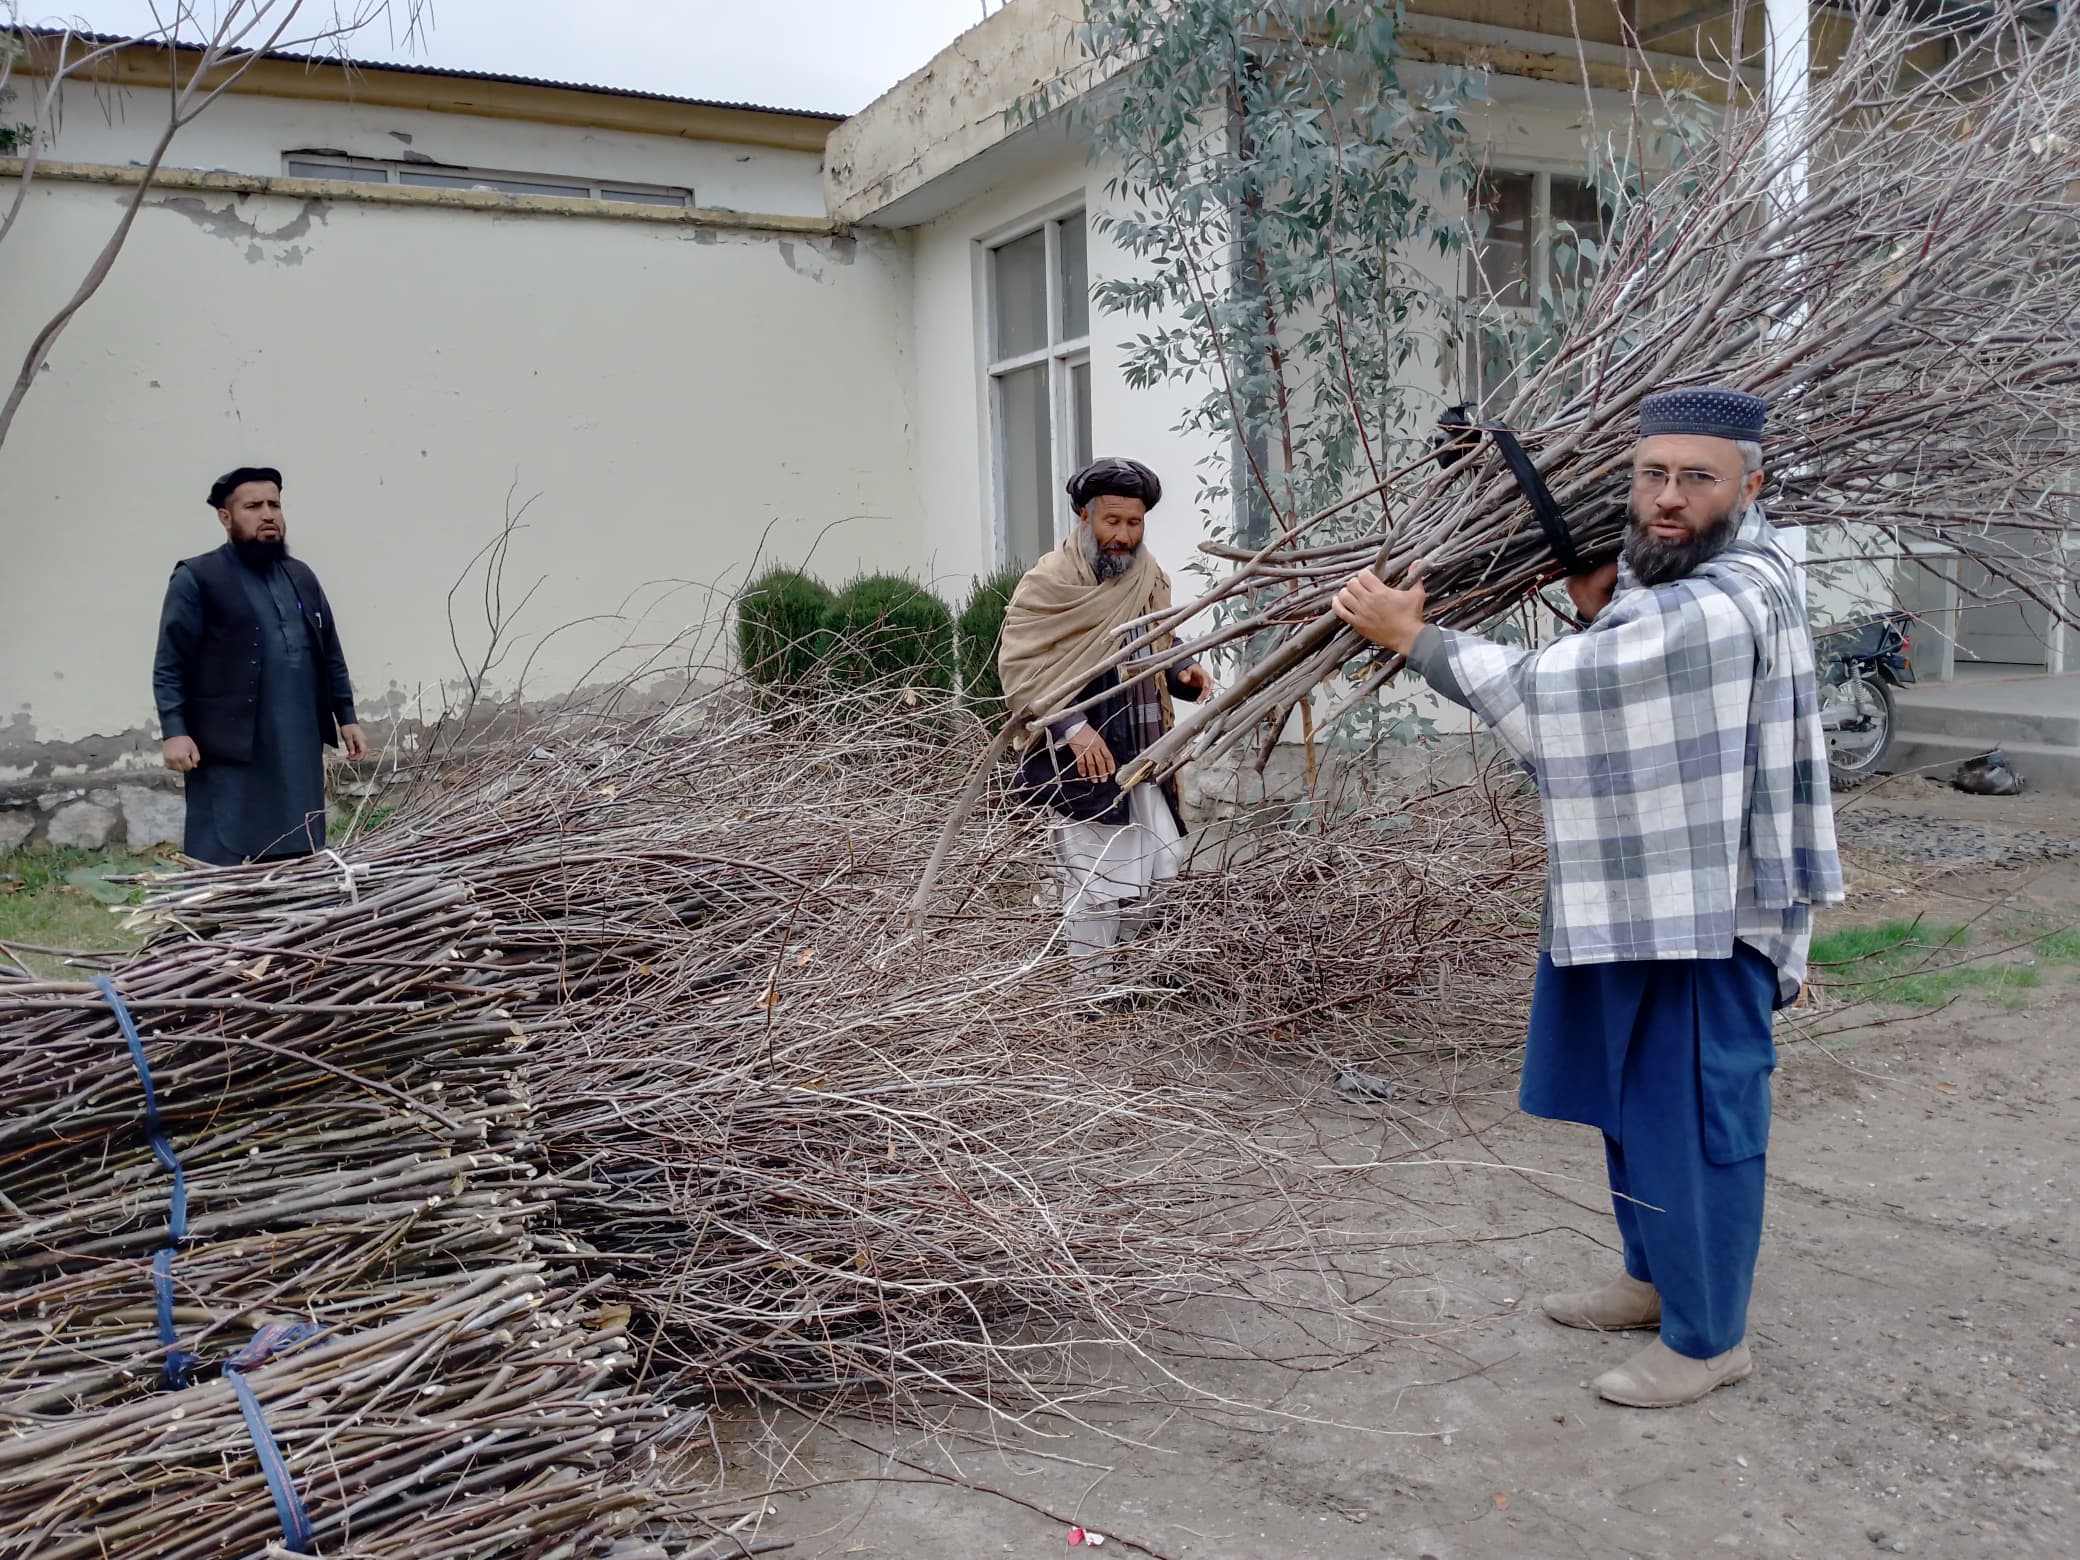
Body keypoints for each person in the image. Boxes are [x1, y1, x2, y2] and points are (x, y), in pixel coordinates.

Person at [1332, 387, 1843, 1408]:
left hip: (1704, 912)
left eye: (1696, 477)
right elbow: (1630, 649)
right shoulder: (1718, 563)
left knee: (1694, 1121)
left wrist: (1412, 639)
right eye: (1652, 473)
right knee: (1634, 1110)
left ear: (1750, 483)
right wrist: (1597, 594)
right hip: (1655, 888)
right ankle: (1653, 1283)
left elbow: (1563, 694)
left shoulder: (1716, 601)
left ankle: (1708, 1341)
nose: (1665, 497)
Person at [998, 457, 1213, 989]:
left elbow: (1156, 639)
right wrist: (1071, 726)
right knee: (1096, 881)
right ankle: (1089, 992)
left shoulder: (1148, 574)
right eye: (1111, 521)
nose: (1123, 535)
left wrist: (1183, 666)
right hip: (1082, 759)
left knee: (1160, 863)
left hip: (1144, 750)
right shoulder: (1049, 581)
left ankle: (1133, 980)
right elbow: (1021, 665)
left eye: (1133, 523)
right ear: (1083, 516)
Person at [153, 466, 366, 867]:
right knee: (226, 844)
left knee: (298, 841)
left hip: (298, 740)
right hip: (228, 744)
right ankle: (222, 920)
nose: (268, 514)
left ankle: (290, 917)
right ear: (225, 516)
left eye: (275, 504)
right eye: (253, 506)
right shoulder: (197, 577)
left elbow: (329, 650)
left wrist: (347, 715)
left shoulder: (301, 576)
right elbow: (170, 663)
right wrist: (174, 732)